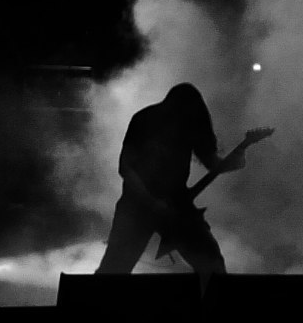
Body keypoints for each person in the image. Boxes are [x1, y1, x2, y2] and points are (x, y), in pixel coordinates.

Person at [96, 83, 244, 276]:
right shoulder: (146, 120)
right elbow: (126, 167)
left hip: (170, 205)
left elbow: (212, 163)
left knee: (212, 265)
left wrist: (237, 159)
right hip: (138, 205)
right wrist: (151, 202)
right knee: (113, 271)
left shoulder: (182, 122)